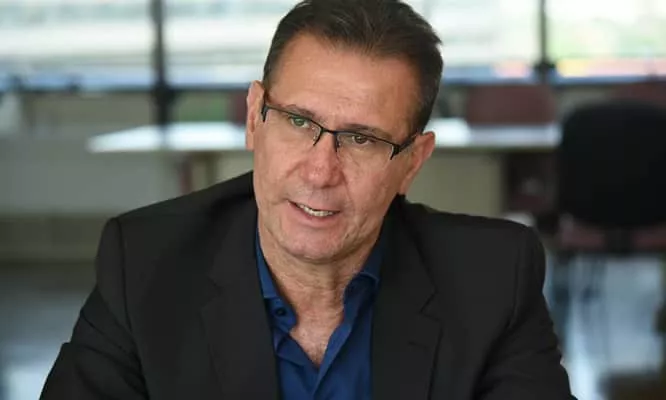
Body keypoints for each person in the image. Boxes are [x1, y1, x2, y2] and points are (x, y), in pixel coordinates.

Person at [41, 0, 575, 399]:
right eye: (298, 122)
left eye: (362, 139)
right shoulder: (145, 263)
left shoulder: (492, 278)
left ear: (412, 162)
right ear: (255, 118)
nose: (320, 172)